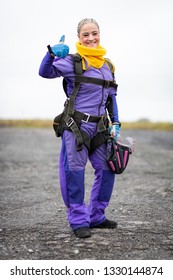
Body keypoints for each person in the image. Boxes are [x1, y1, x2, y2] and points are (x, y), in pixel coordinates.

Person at [39, 18, 121, 238]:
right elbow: (44, 72)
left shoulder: (108, 66)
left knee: (108, 170)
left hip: (101, 128)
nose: (91, 38)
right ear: (79, 38)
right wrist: (51, 54)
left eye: (94, 33)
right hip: (77, 127)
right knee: (74, 172)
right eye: (86, 35)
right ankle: (78, 219)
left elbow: (111, 96)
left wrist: (116, 122)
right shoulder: (72, 62)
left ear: (99, 34)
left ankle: (96, 216)